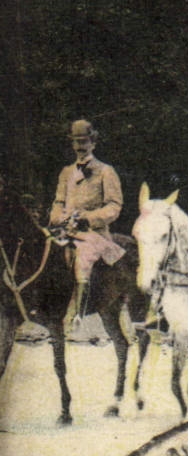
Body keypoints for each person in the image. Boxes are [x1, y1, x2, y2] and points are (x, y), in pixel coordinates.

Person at [48, 119, 126, 312]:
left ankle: (78, 313)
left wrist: (89, 218)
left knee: (83, 258)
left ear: (93, 143)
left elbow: (114, 206)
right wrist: (58, 217)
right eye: (76, 142)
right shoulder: (66, 172)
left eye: (84, 142)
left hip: (93, 233)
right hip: (65, 230)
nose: (79, 147)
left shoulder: (105, 171)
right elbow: (58, 202)